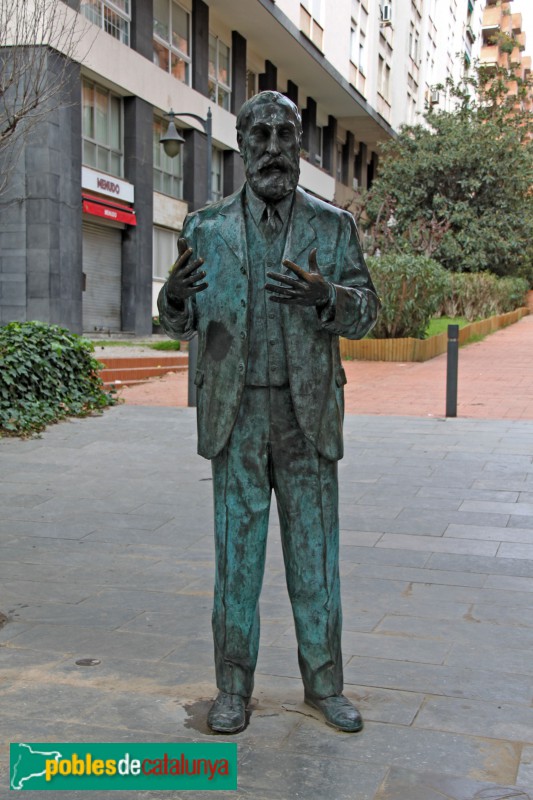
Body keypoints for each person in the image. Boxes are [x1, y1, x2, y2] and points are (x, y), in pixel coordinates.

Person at [158, 91, 380, 735]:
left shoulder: (333, 227)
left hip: (307, 415)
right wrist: (172, 300)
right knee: (237, 559)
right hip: (235, 415)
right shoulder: (206, 227)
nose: (275, 149)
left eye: (286, 135)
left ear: (302, 146)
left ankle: (325, 684)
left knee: (315, 560)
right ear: (242, 143)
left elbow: (366, 312)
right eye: (262, 136)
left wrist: (327, 297)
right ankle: (232, 687)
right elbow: (182, 316)